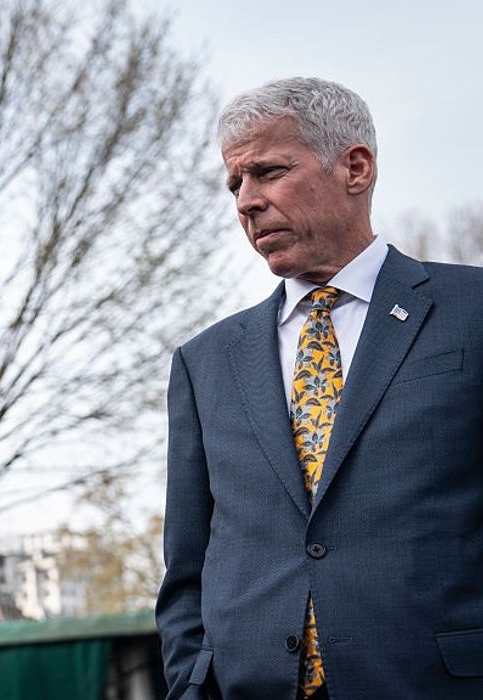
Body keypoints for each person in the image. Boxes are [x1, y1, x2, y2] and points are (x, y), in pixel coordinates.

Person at [156, 76, 483, 700]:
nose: (246, 202)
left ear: (355, 168)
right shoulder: (205, 362)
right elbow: (187, 570)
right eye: (235, 184)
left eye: (269, 171)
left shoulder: (472, 310)